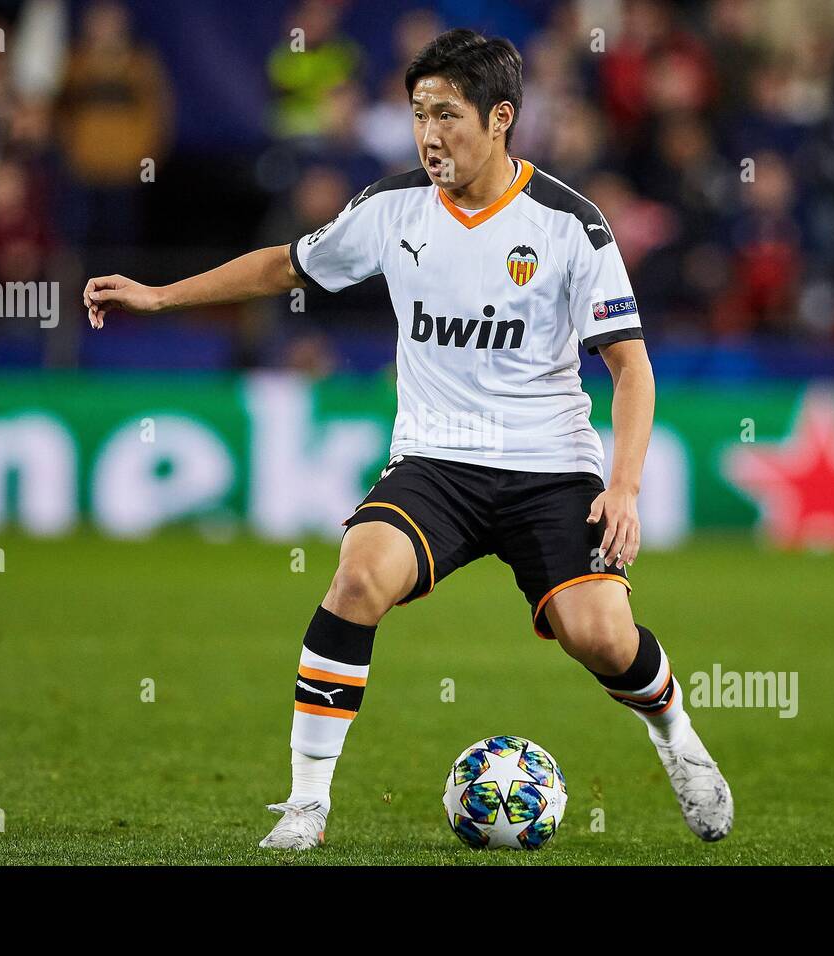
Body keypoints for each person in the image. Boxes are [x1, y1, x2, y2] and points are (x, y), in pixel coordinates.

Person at [83, 29, 732, 850]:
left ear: (501, 119)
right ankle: (306, 804)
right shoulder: (392, 208)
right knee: (357, 577)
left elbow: (631, 371)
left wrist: (625, 487)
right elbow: (285, 266)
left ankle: (676, 737)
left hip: (550, 467)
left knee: (598, 634)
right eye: (419, 114)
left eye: (448, 116)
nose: (429, 135)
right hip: (437, 461)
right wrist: (162, 295)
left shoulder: (572, 224)